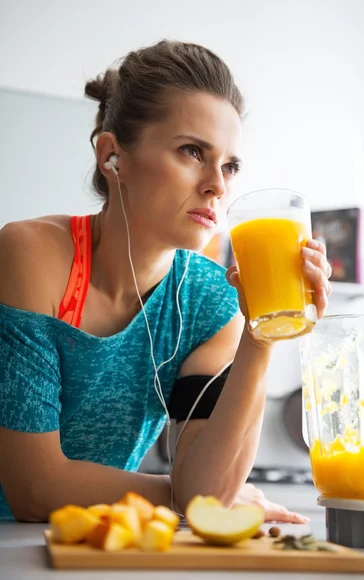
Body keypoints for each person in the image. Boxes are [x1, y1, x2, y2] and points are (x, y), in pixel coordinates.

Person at [0, 40, 331, 522]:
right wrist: (179, 497)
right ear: (113, 157)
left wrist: (261, 336)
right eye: (192, 151)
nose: (217, 184)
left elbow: (203, 489)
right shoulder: (31, 255)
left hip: (94, 549)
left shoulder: (211, 301)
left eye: (230, 165)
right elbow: (33, 488)